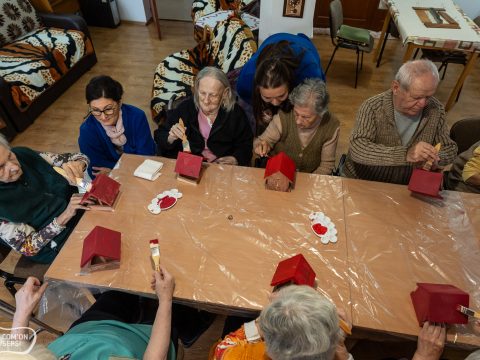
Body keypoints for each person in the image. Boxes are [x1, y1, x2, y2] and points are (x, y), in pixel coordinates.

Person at [210, 285, 447, 360]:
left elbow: (224, 348)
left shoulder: (237, 355)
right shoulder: (337, 354)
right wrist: (424, 358)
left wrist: (263, 320)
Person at [5, 266, 175, 359]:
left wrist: (22, 313)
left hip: (89, 329)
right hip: (142, 341)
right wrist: (166, 300)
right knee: (178, 313)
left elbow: (17, 352)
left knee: (120, 291)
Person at [342, 59, 457, 185]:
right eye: (416, 97)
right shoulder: (372, 107)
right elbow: (358, 149)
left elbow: (450, 148)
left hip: (406, 186)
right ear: (396, 88)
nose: (424, 103)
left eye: (428, 96)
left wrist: (435, 158)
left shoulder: (435, 110)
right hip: (364, 181)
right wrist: (406, 154)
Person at [0, 134, 89, 264]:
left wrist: (79, 164)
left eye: (9, 156)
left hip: (82, 212)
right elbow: (28, 247)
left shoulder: (22, 154)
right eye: (1, 167)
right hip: (57, 243)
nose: (14, 166)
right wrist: (66, 215)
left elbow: (76, 157)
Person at [210, 285, 353, 360]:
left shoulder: (238, 356)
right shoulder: (335, 352)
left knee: (234, 317)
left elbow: (221, 350)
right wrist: (340, 344)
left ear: (270, 347)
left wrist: (260, 322)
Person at [156, 66, 253, 166]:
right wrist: (171, 137)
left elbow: (246, 144)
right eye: (202, 93)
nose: (206, 100)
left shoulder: (235, 114)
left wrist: (236, 158)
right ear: (197, 90)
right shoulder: (186, 108)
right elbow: (160, 135)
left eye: (213, 95)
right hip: (190, 165)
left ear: (225, 93)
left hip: (221, 168)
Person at [236, 33, 326, 135]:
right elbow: (248, 106)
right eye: (267, 97)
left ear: (290, 84)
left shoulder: (309, 73)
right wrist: (262, 109)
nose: (275, 103)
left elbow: (317, 106)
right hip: (272, 40)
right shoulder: (246, 79)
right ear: (257, 88)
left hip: (303, 47)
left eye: (281, 95)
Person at [254, 78, 339, 174]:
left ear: (321, 113)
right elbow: (260, 141)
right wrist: (261, 146)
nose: (298, 121)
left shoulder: (331, 125)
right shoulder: (284, 116)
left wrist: (307, 185)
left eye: (306, 117)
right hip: (277, 174)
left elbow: (326, 167)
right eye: (296, 113)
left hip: (310, 178)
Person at [79, 75, 156, 178]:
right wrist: (128, 168)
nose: (103, 116)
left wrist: (115, 171)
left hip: (141, 174)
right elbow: (95, 171)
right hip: (110, 182)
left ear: (119, 103)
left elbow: (146, 156)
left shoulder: (137, 116)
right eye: (96, 110)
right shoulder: (87, 130)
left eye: (108, 109)